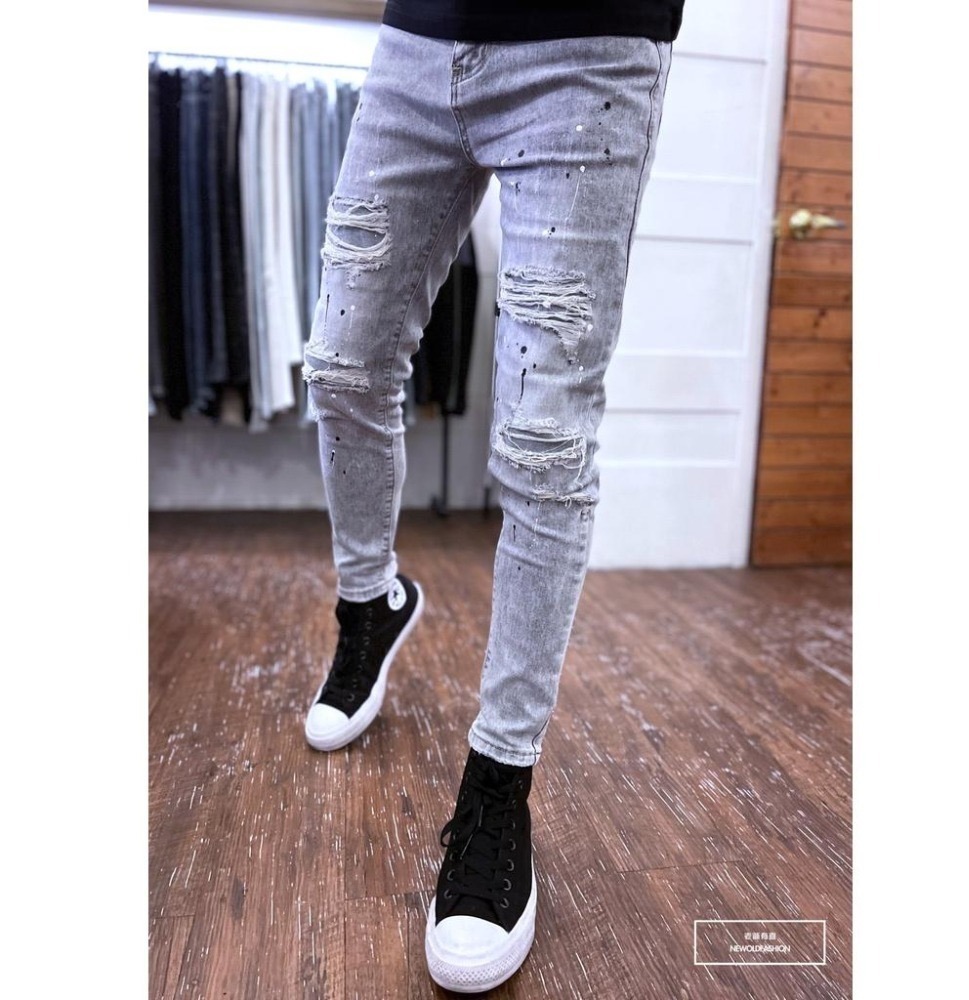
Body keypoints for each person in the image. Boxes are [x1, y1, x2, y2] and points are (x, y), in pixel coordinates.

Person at [301, 0, 685, 991]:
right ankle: (370, 605)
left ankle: (497, 788)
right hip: (420, 40)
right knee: (341, 366)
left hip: (588, 50)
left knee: (545, 440)